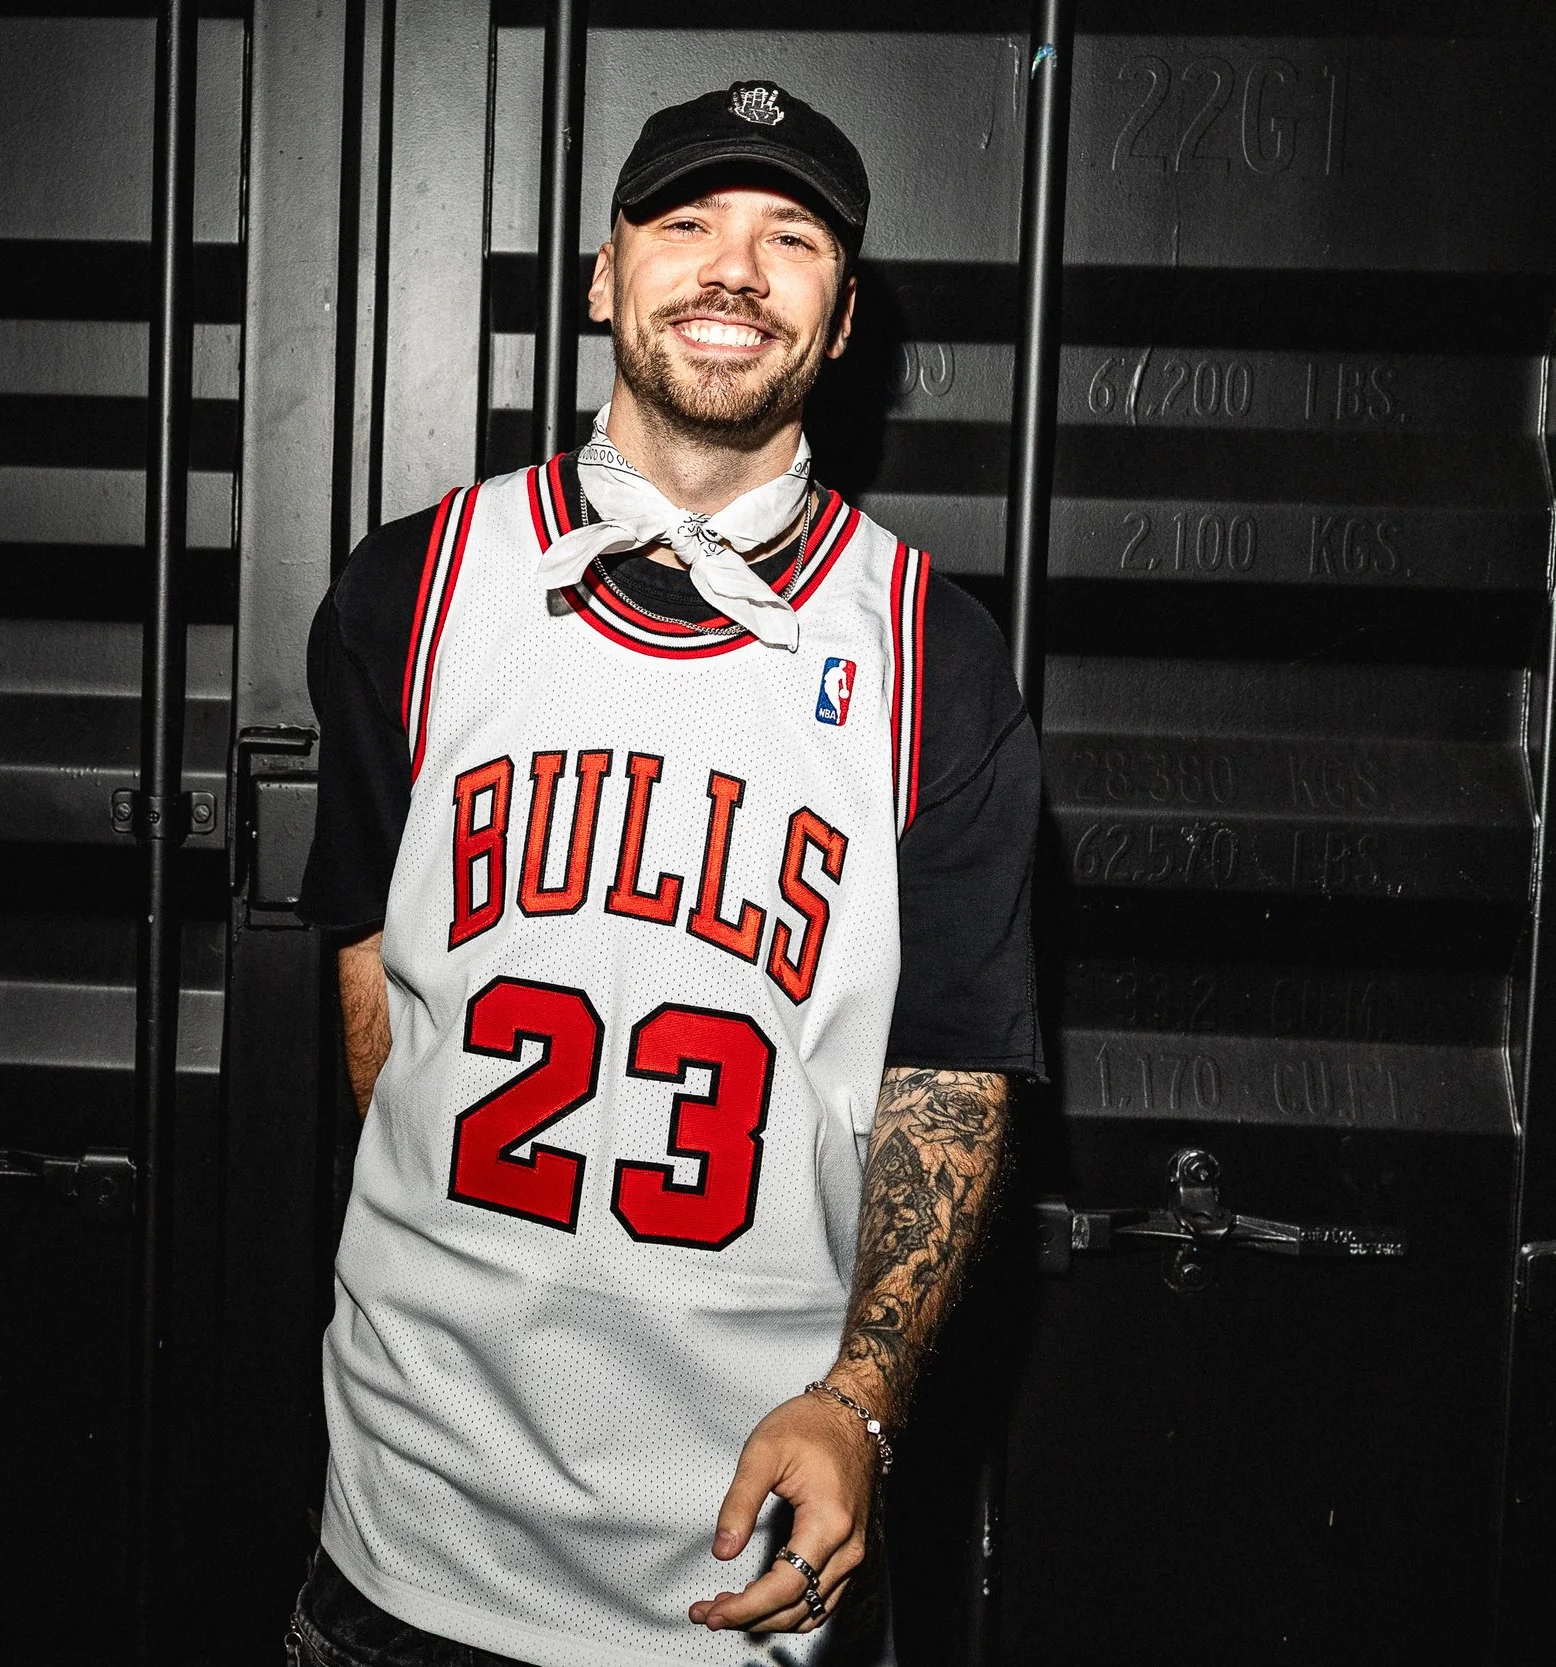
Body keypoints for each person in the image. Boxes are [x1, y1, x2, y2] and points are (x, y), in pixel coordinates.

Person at [289, 81, 1042, 1667]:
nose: (731, 268)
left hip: (751, 1574)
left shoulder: (932, 659)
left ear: (842, 322)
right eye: (685, 221)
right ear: (601, 275)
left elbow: (954, 1076)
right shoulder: (412, 590)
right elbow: (374, 979)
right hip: (412, 1541)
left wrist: (865, 1403)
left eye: (790, 237)